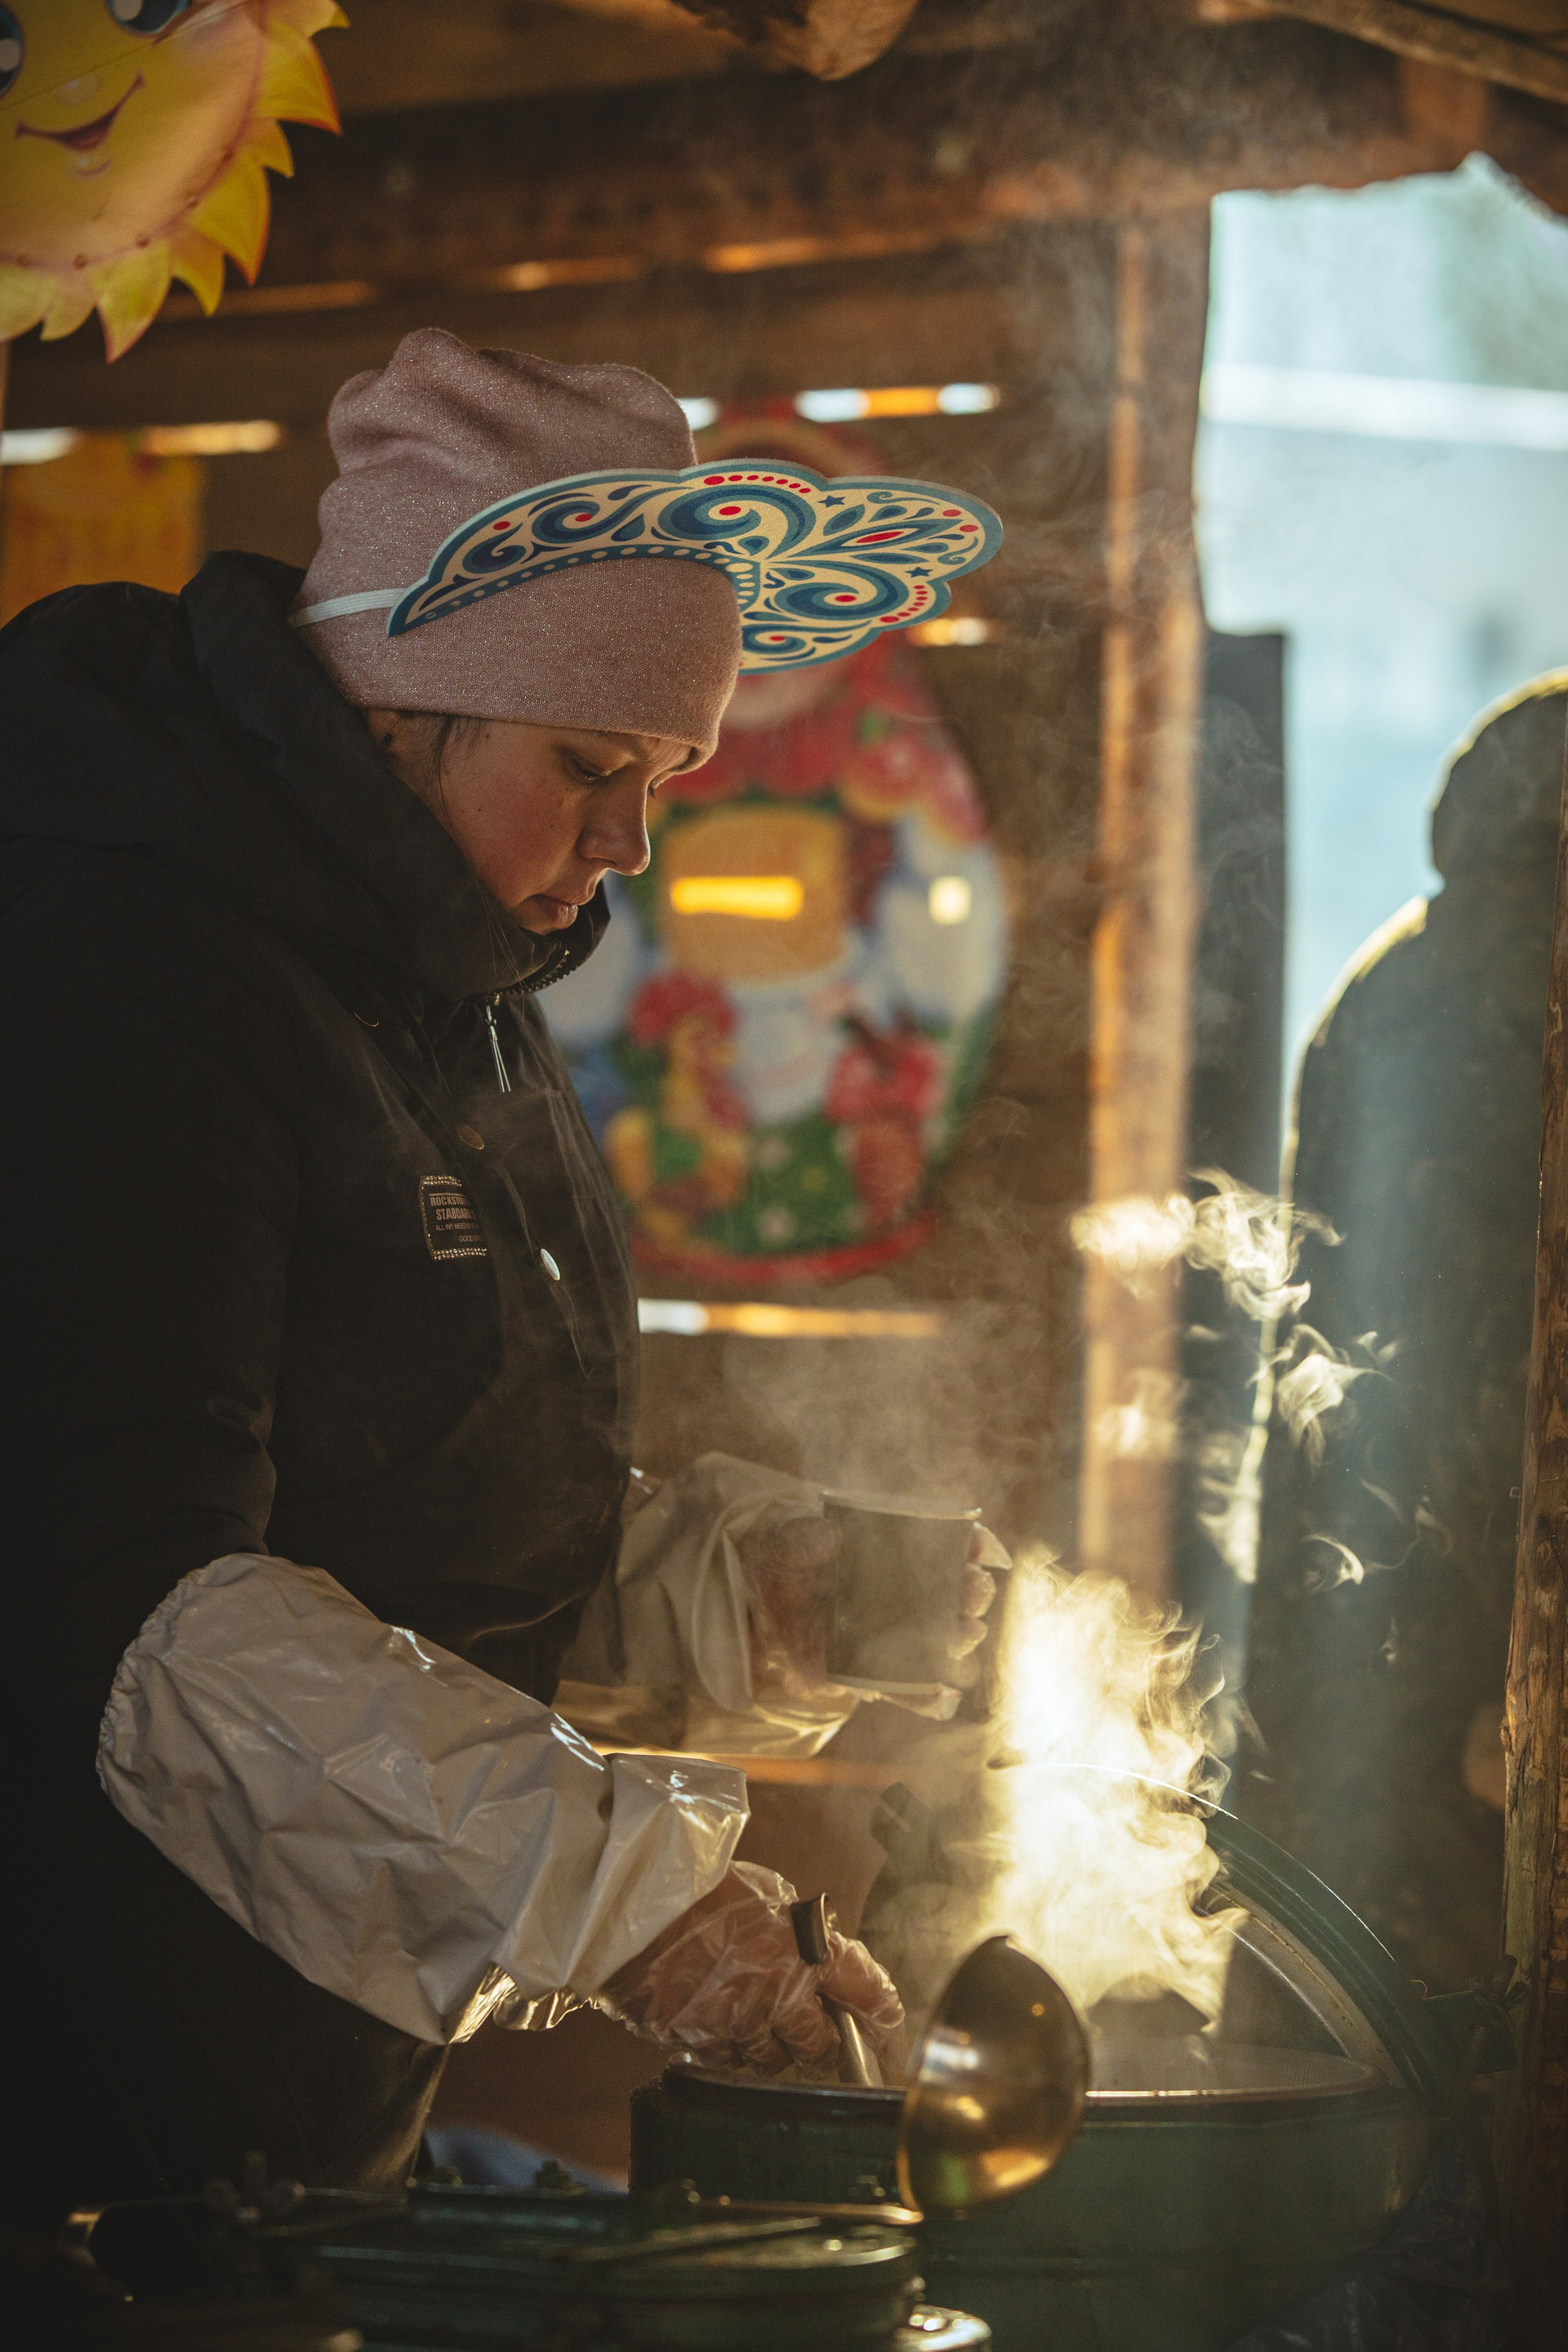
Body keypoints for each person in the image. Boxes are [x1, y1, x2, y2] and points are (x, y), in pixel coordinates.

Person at [0, 331, 1003, 2223]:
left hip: (283, 2126)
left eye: (668, 775)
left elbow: (405, 1508)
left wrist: (732, 1598)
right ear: (400, 698)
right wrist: (632, 1904)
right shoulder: (124, 962)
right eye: (591, 766)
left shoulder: (443, 957)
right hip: (62, 2111)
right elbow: (111, 1593)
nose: (633, 844)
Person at [1245, 673, 1567, 1989]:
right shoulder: (1520, 989)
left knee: (1348, 1992)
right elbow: (1488, 1371)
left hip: (1359, 1609)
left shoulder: (1392, 979)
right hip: (1478, 1624)